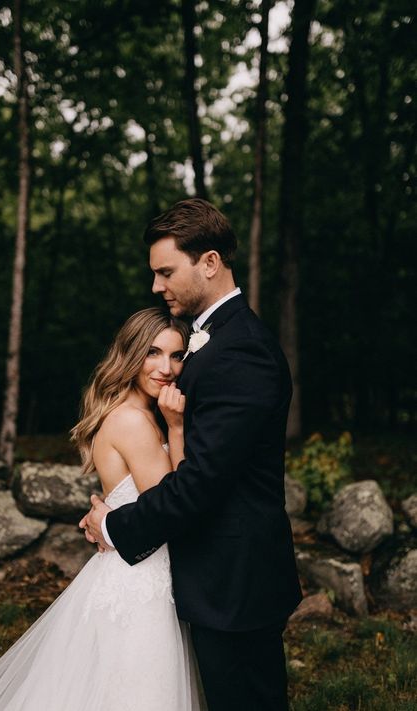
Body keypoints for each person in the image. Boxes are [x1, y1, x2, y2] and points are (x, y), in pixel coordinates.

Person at [82, 198, 303, 711]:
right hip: (220, 574)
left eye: (165, 272)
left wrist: (116, 526)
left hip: (235, 579)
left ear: (209, 262)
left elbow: (203, 481)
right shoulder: (216, 340)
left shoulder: (240, 350)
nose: (157, 287)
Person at [0, 308, 200, 711]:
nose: (166, 368)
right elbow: (167, 503)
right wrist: (177, 427)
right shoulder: (135, 422)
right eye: (153, 353)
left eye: (176, 356)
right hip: (141, 578)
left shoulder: (132, 413)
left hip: (130, 563)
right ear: (131, 355)